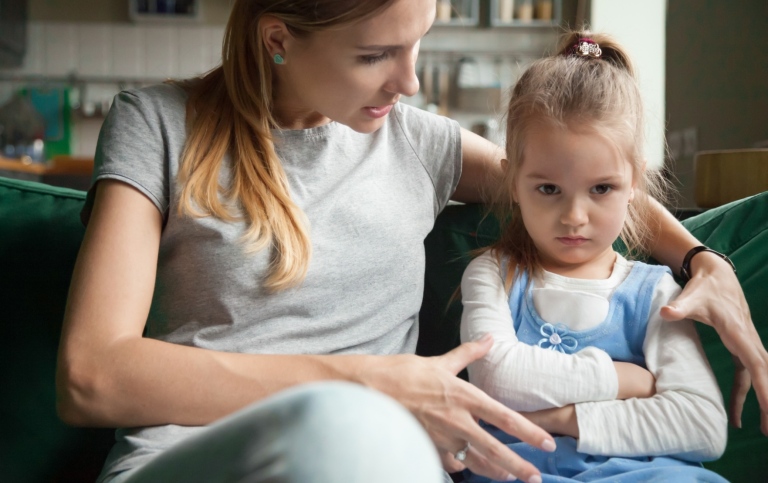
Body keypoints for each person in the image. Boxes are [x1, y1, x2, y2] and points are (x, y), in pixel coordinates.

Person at [53, 0, 765, 481]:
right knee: (342, 428)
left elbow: (582, 180)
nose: (411, 78)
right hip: (208, 456)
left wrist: (703, 260)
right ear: (278, 39)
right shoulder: (158, 124)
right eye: (376, 54)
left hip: (386, 460)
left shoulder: (417, 141)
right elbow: (91, 374)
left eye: (417, 41)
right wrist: (368, 380)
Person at [460, 32, 733, 482]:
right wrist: (625, 381)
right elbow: (497, 377)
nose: (573, 216)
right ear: (512, 181)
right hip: (522, 471)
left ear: (634, 186)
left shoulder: (656, 292)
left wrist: (559, 419)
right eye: (548, 189)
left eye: (601, 189)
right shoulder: (493, 273)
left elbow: (702, 426)